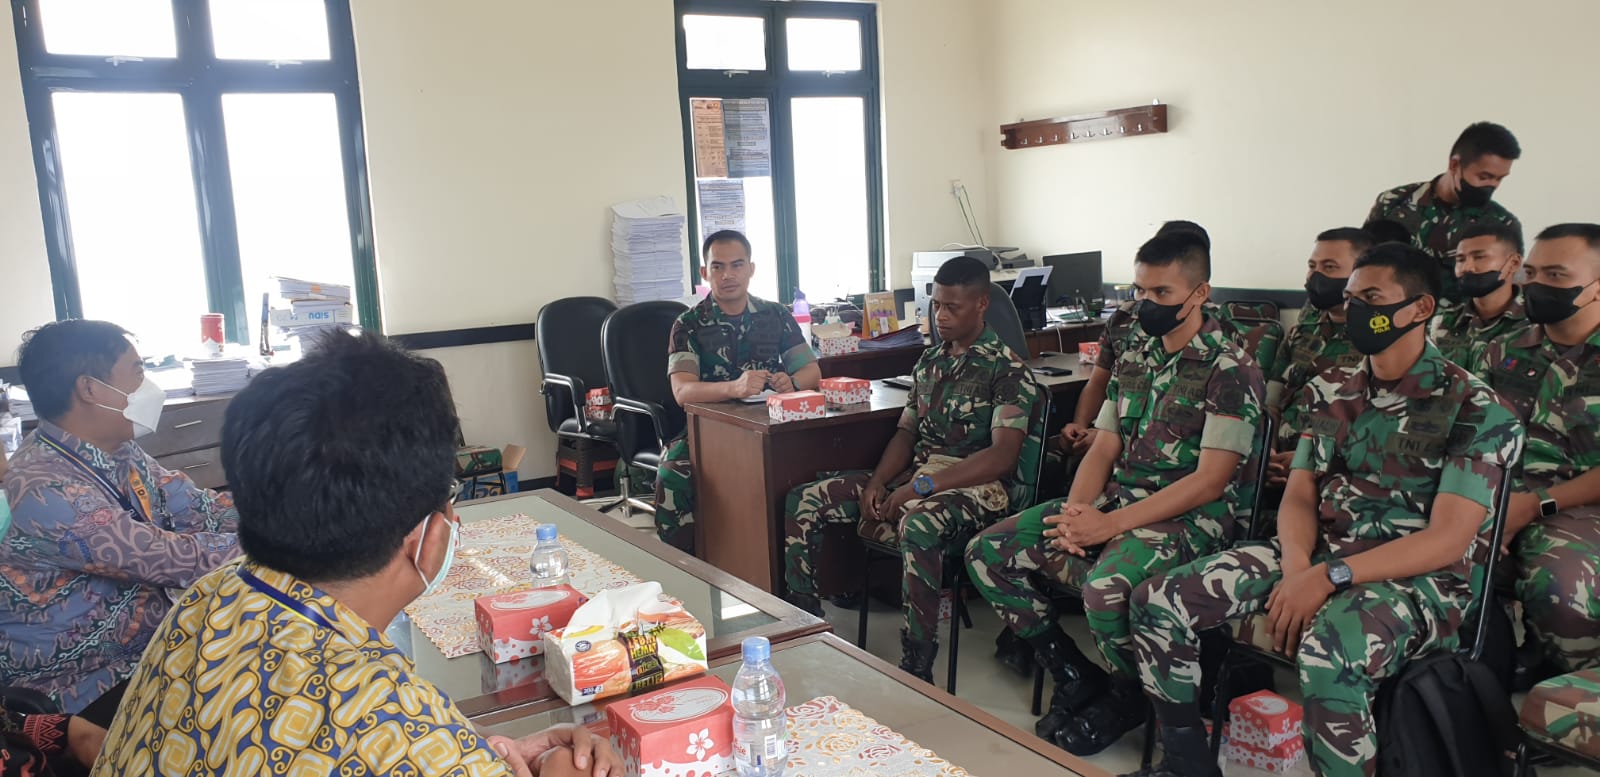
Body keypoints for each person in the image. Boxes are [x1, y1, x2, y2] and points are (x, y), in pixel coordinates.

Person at [92, 332, 619, 777]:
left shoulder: (212, 596)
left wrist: (487, 750)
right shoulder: (406, 737)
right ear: (429, 537)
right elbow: (390, 742)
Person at [1126, 243, 1522, 777]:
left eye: (1372, 299)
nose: (1355, 309)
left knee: (1327, 651)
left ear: (1421, 308)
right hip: (1319, 553)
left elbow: (1449, 540)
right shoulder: (1331, 389)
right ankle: (1185, 764)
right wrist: (1297, 567)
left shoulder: (1476, 408)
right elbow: (1299, 494)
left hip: (1419, 579)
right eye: (1352, 298)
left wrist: (1328, 577)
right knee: (1157, 600)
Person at [966, 230, 1264, 756]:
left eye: (1162, 293)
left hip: (1190, 520)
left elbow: (1210, 481)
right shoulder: (1137, 356)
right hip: (1119, 504)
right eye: (1140, 290)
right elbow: (1104, 446)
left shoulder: (1231, 368)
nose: (1146, 303)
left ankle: (1131, 695)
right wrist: (1077, 513)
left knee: (1104, 589)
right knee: (987, 552)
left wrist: (1107, 526)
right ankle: (1074, 672)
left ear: (1200, 294)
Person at [782, 256, 1038, 681]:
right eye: (936, 304)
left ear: (981, 305)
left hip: (978, 485)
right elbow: (905, 433)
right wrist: (879, 482)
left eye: (952, 307)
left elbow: (1002, 456)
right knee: (805, 499)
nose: (940, 316)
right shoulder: (930, 362)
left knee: (918, 525)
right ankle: (805, 622)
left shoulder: (1007, 369)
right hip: (919, 476)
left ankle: (918, 660)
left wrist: (921, 488)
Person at [0, 321, 239, 722]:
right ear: (89, 388)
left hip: (151, 651)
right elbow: (172, 559)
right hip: (85, 690)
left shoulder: (121, 453)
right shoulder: (42, 490)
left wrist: (287, 514)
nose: (149, 386)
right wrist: (292, 539)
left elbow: (201, 508)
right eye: (138, 371)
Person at [1478, 223, 1600, 680]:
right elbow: (1470, 436)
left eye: (1555, 275)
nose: (1534, 285)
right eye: (1530, 273)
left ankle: (1570, 682)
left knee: (1561, 587)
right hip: (1499, 498)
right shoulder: (1501, 352)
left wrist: (1533, 506)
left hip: (1580, 507)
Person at [656, 230, 819, 552]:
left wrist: (793, 383)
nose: (728, 275)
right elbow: (682, 391)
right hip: (709, 430)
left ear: (751, 269)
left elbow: (811, 371)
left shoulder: (776, 314)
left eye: (737, 265)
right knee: (672, 473)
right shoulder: (689, 323)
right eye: (718, 267)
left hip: (772, 424)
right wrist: (734, 387)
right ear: (705, 272)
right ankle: (684, 562)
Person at [1367, 121, 1523, 301]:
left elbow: (1502, 295)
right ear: (1454, 165)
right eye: (1484, 176)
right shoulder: (1394, 202)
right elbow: (1364, 263)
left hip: (1456, 318)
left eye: (1499, 179)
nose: (1493, 185)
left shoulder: (1501, 224)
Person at [1265, 228, 1371, 487]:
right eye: (1312, 266)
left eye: (1330, 267)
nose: (1316, 275)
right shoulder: (1301, 332)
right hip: (1275, 465)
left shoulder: (1376, 340)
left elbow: (1377, 423)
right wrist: (1267, 450)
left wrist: (1306, 459)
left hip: (1337, 475)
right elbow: (1271, 403)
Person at [1431, 223, 1530, 375]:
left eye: (1479, 257)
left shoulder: (1537, 326)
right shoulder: (1440, 323)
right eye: (1461, 259)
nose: (1467, 267)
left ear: (1513, 263)